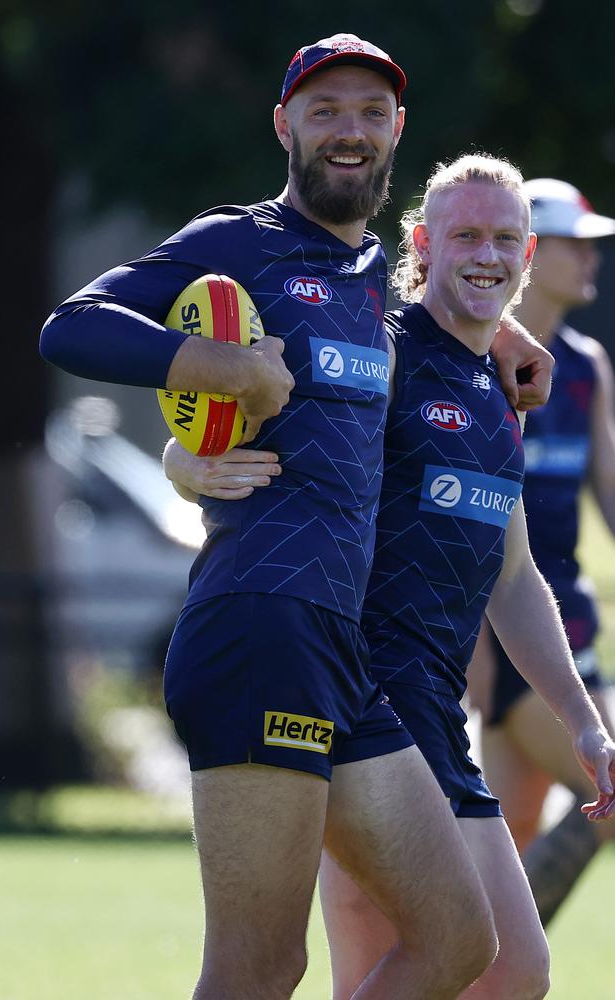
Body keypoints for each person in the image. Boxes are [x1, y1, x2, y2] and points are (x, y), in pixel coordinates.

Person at [40, 35, 554, 1000]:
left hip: (342, 657)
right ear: (286, 127)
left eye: (370, 112)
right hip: (257, 621)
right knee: (261, 965)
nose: (348, 131)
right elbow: (73, 326)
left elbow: (433, 294)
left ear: (397, 129)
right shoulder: (241, 242)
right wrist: (212, 370)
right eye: (324, 112)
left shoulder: (370, 272)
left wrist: (509, 328)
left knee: (459, 941)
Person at [163, 154, 615, 1000]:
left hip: (433, 721)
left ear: (525, 255)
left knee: (508, 971)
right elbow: (250, 415)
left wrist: (586, 726)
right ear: (421, 244)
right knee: (423, 964)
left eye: (505, 238)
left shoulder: (501, 388)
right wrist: (187, 459)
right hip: (359, 705)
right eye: (466, 235)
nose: (487, 253)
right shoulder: (383, 350)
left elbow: (513, 578)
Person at [465, 178, 615, 928]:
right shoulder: (481, 359)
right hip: (504, 642)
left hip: (574, 633)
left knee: (511, 841)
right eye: (576, 244)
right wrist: (475, 659)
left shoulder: (587, 366)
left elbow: (612, 499)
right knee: (607, 802)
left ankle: (483, 975)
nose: (592, 259)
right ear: (534, 251)